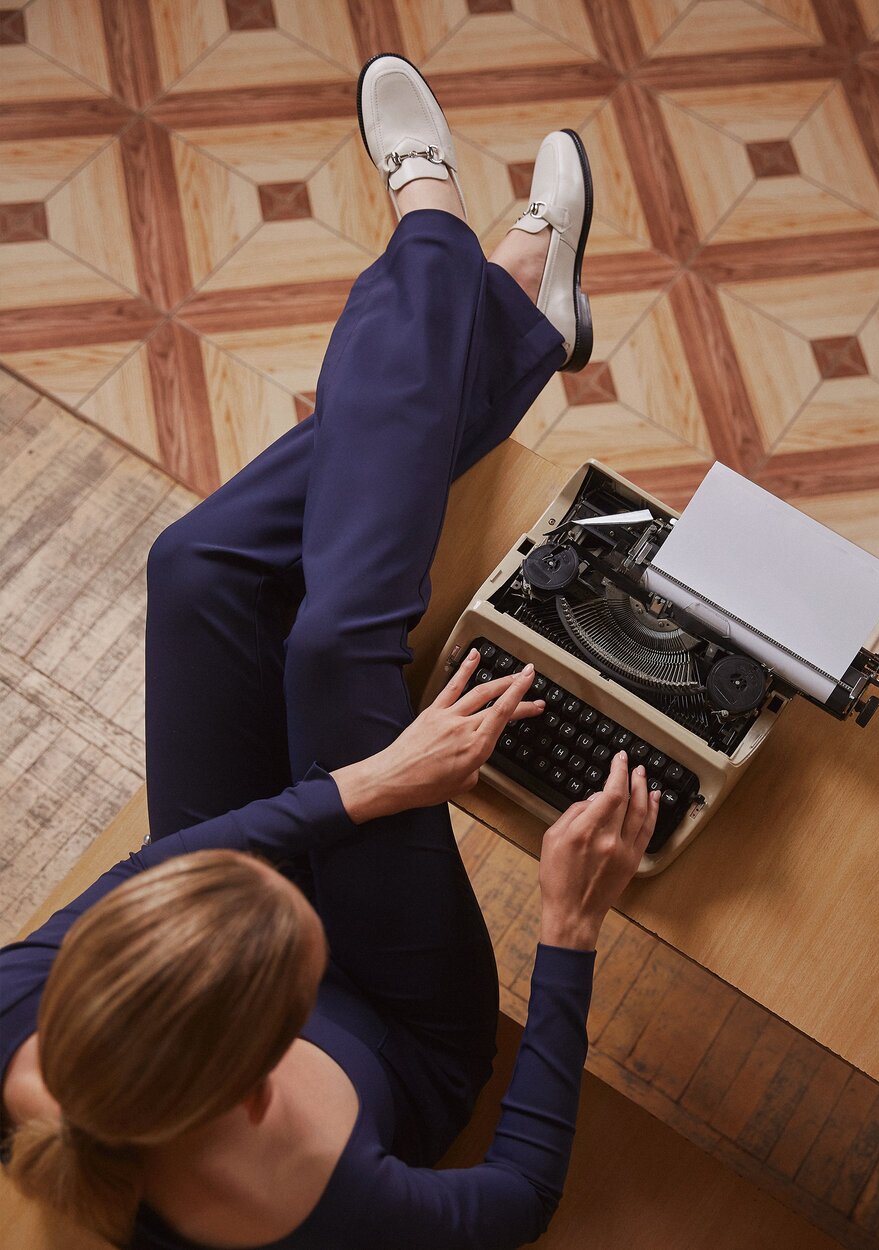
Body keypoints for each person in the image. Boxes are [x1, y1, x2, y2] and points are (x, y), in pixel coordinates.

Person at [0, 54, 660, 1249]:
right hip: (407, 1019)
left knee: (194, 569)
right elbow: (518, 1197)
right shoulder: (325, 1207)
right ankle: (465, 271)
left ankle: (475, 282)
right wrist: (567, 929)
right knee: (331, 651)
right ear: (263, 1078)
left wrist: (369, 785)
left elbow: (184, 859)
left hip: (211, 935)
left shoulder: (13, 1023)